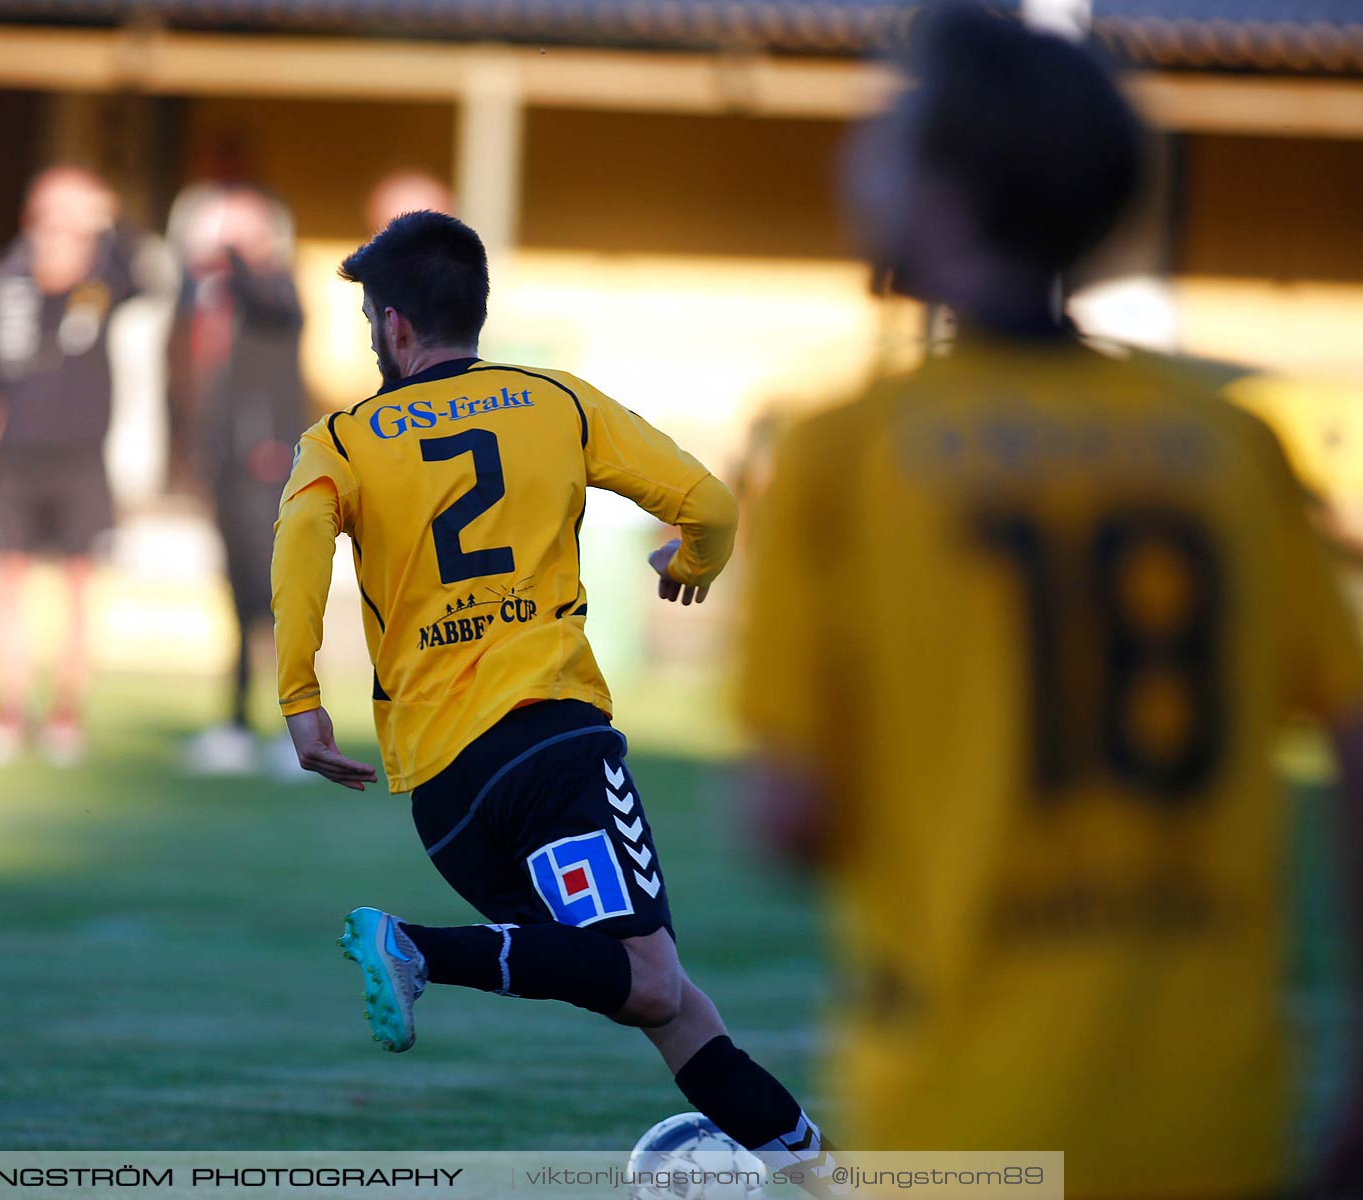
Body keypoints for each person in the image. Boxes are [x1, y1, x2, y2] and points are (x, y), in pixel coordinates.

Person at [735, 6, 1363, 1199]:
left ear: (941, 190)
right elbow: (1351, 727)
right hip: (1213, 1109)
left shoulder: (846, 453)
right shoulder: (1229, 447)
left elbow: (790, 814)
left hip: (962, 1113)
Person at [270, 211, 833, 1185]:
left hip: (446, 801)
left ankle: (817, 1171)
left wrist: (300, 699)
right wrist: (694, 560)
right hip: (550, 753)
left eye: (368, 315)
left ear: (396, 328)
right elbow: (712, 505)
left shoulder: (344, 439)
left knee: (665, 1001)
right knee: (651, 978)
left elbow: (298, 550)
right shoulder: (554, 402)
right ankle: (413, 949)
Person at [0, 166, 140, 767]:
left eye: (73, 221)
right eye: (52, 219)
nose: (61, 233)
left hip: (80, 459)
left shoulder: (103, 277)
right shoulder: (9, 279)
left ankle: (66, 709)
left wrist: (106, 218)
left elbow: (141, 272)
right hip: (15, 456)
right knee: (8, 582)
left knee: (77, 586)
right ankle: (8, 706)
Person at [169, 186, 309, 777]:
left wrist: (240, 253)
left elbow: (273, 304)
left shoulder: (277, 286)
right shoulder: (212, 296)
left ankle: (298, 730)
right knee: (238, 600)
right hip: (225, 467)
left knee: (275, 604)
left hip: (267, 466)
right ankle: (236, 723)